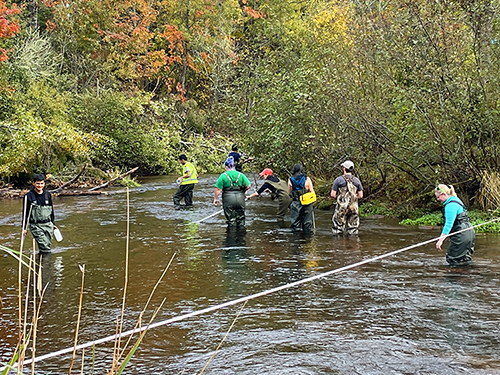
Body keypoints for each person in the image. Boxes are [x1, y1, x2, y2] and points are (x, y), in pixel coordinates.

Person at [435, 184, 475, 266]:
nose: (438, 199)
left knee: (453, 259)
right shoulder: (456, 200)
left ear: (444, 194)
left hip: (461, 234)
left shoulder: (450, 206)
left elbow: (448, 224)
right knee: (464, 258)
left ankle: (454, 278)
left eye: (438, 197)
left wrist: (440, 240)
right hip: (469, 232)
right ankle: (468, 276)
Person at [22, 174, 58, 253]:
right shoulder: (28, 196)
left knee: (47, 245)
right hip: (36, 226)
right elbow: (25, 213)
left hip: (48, 224)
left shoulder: (47, 195)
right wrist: (24, 228)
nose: (40, 185)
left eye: (42, 183)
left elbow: (51, 210)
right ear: (33, 183)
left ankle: (41, 263)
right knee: (45, 247)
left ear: (44, 183)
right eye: (38, 183)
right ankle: (47, 264)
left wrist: (53, 223)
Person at [214, 156, 251, 227]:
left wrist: (215, 199)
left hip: (228, 199)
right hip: (240, 199)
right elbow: (248, 185)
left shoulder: (223, 176)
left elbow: (218, 189)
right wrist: (243, 191)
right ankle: (241, 236)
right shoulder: (241, 175)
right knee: (241, 220)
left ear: (226, 166)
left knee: (231, 220)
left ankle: (231, 236)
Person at [331, 160, 363, 235]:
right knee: (353, 229)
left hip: (341, 208)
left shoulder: (338, 180)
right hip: (353, 208)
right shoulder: (357, 180)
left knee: (338, 229)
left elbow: (333, 194)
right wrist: (353, 199)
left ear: (344, 168)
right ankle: (353, 244)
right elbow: (361, 195)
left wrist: (339, 198)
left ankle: (339, 245)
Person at [288, 164, 315, 234]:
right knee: (307, 223)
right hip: (307, 203)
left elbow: (289, 192)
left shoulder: (290, 179)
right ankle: (307, 240)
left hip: (296, 203)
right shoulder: (307, 179)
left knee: (295, 223)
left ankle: (295, 240)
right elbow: (312, 191)